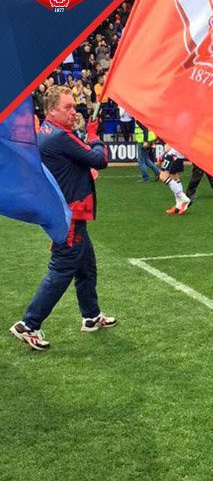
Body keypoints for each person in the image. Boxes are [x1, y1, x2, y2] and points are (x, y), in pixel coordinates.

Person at [9, 86, 116, 351]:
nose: (73, 112)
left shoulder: (46, 133)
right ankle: (29, 324)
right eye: (67, 107)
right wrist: (94, 135)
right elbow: (99, 159)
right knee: (62, 269)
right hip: (70, 214)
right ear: (51, 110)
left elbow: (68, 164)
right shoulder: (61, 137)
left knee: (86, 267)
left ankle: (91, 316)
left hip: (66, 213)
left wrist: (82, 169)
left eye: (74, 106)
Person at [159, 146, 190, 215]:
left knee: (163, 176)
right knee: (175, 178)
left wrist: (162, 156)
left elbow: (168, 146)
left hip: (173, 154)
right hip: (179, 155)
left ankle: (184, 199)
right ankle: (178, 206)